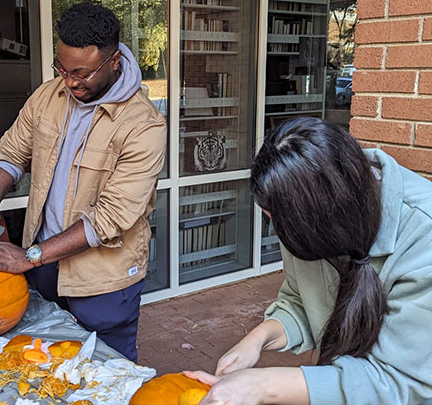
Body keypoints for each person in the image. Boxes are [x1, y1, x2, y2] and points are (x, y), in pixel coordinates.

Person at [0, 2, 167, 362]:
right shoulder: (48, 96)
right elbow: (9, 152)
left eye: (82, 73)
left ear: (114, 61)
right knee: (45, 364)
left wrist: (28, 256)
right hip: (44, 265)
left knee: (107, 373)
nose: (70, 81)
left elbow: (109, 218)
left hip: (103, 279)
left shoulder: (144, 125)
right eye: (62, 68)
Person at [185, 117, 432, 405]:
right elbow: (306, 299)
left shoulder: (423, 239)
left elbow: (400, 382)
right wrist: (259, 338)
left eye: (285, 225)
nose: (280, 233)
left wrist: (265, 385)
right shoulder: (301, 203)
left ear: (326, 218)